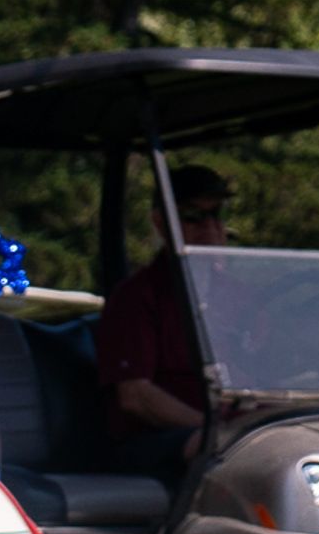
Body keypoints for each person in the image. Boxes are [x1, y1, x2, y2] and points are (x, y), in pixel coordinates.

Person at [92, 165, 224, 478]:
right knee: (216, 449)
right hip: (156, 442)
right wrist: (214, 429)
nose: (208, 227)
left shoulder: (239, 294)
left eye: (216, 214)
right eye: (193, 216)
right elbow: (135, 396)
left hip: (234, 432)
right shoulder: (137, 297)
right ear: (161, 222)